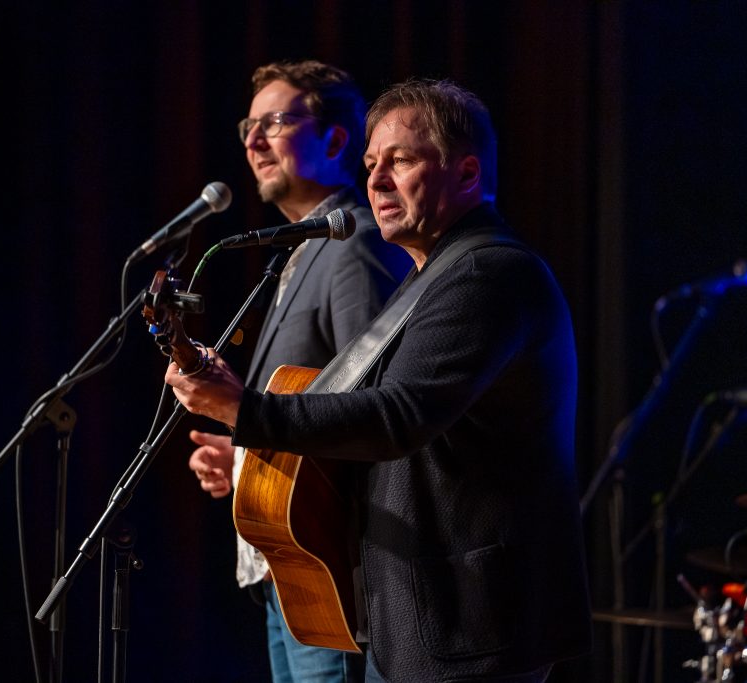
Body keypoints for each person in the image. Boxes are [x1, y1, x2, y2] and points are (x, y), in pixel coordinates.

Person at [171, 79, 591, 682]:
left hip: (471, 622)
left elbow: (395, 417)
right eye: (371, 165)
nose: (377, 181)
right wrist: (250, 450)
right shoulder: (431, 277)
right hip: (422, 616)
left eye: (401, 160)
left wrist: (246, 411)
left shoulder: (488, 272)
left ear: (467, 172)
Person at [185, 60, 408, 683]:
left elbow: (370, 405)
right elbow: (311, 396)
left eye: (276, 123)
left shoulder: (354, 242)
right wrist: (241, 458)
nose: (254, 142)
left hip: (323, 563)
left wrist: (244, 415)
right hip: (284, 564)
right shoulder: (304, 249)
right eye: (248, 127)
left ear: (336, 140)